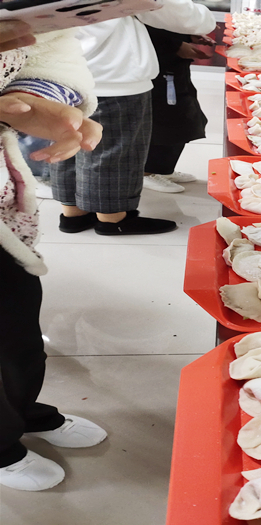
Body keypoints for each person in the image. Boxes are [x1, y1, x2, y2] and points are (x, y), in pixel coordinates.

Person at [0, 22, 107, 492]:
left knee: (17, 322)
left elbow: (52, 49)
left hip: (4, 208)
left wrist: (43, 101)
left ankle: (23, 411)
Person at [49, 0, 216, 235]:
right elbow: (177, 13)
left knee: (69, 142)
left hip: (61, 69)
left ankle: (73, 214)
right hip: (111, 72)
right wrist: (202, 19)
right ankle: (113, 219)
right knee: (115, 150)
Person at [142, 29, 214, 194]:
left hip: (174, 62)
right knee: (167, 117)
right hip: (160, 60)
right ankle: (147, 172)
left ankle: (164, 169)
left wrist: (186, 37)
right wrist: (174, 45)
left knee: (184, 116)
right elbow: (150, 26)